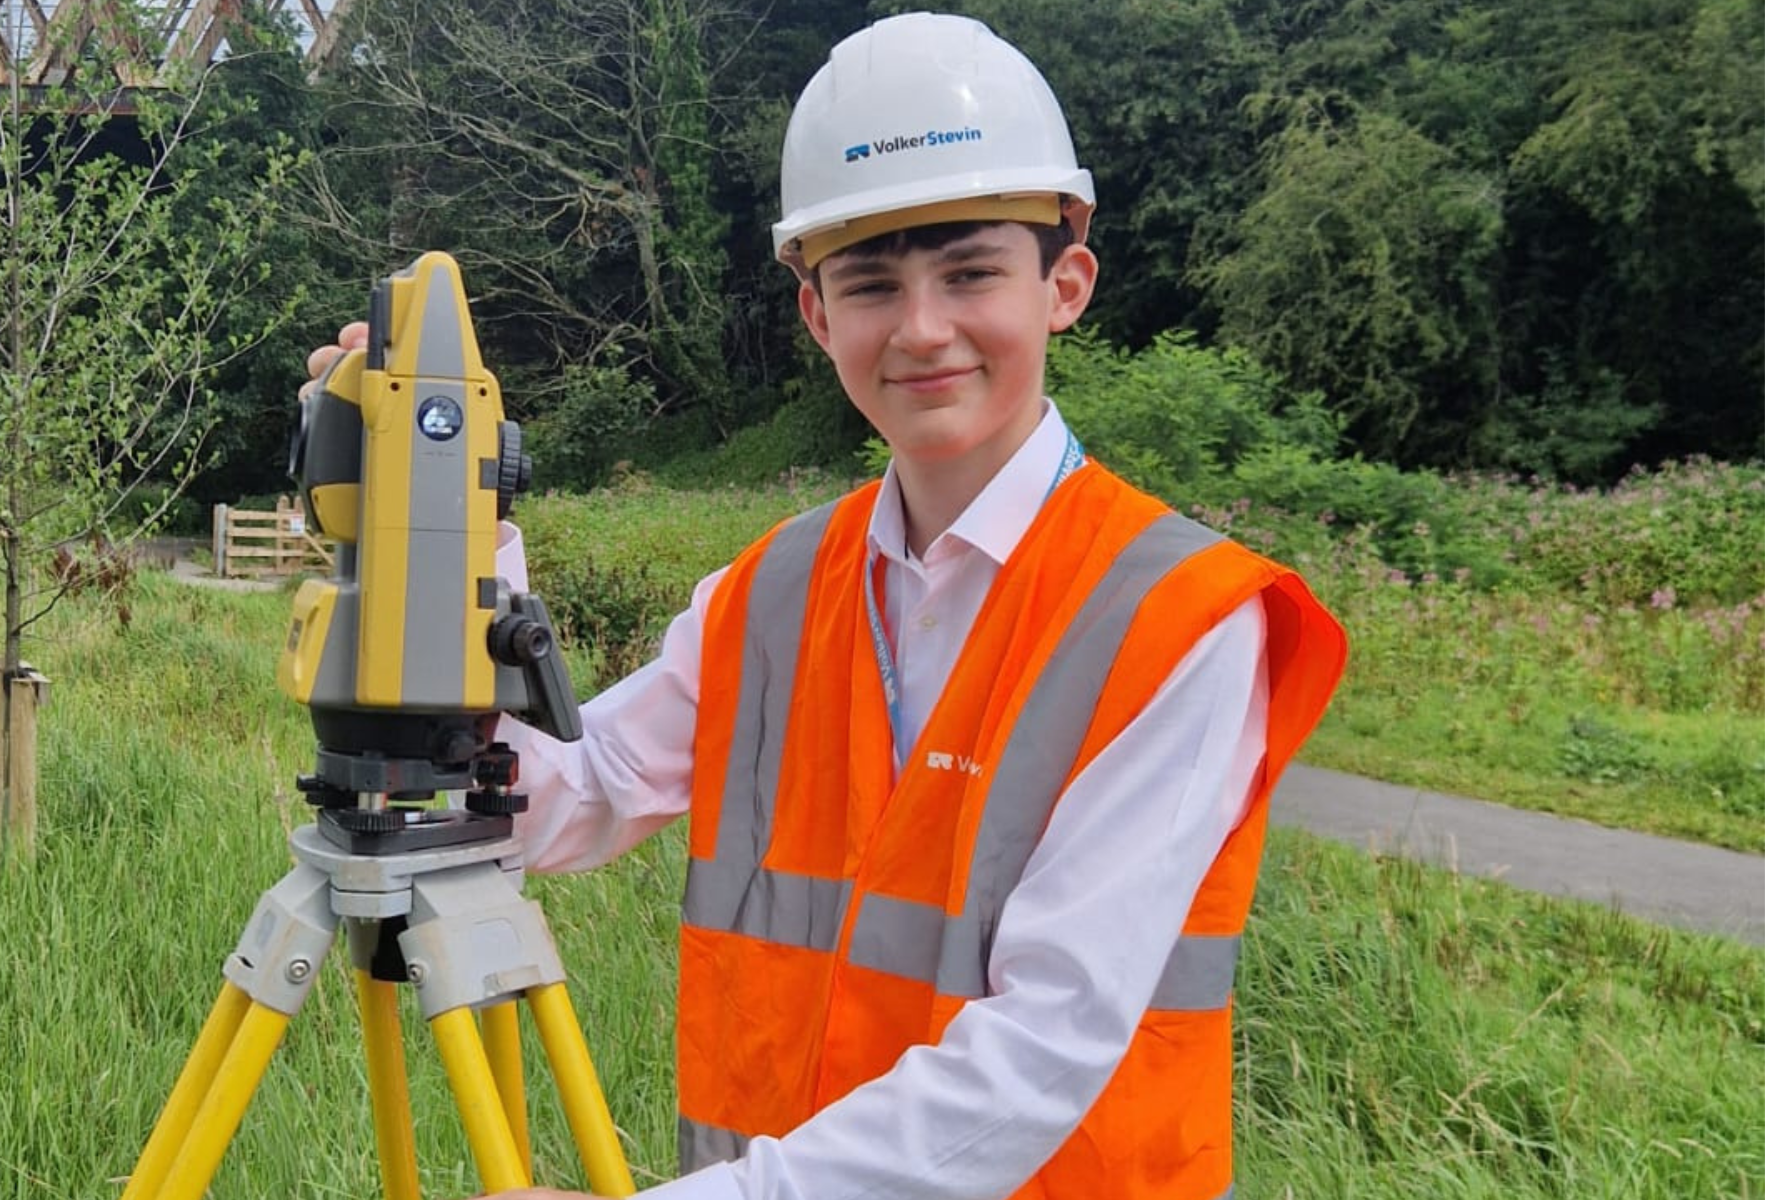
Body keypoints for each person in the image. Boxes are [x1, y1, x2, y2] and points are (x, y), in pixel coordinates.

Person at [305, 12, 1346, 1198]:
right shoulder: (768, 595)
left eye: (968, 272)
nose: (920, 328)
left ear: (1064, 283)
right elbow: (556, 806)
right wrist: (449, 541)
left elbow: (1046, 1045)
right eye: (870, 282)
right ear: (815, 316)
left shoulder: (1179, 618)